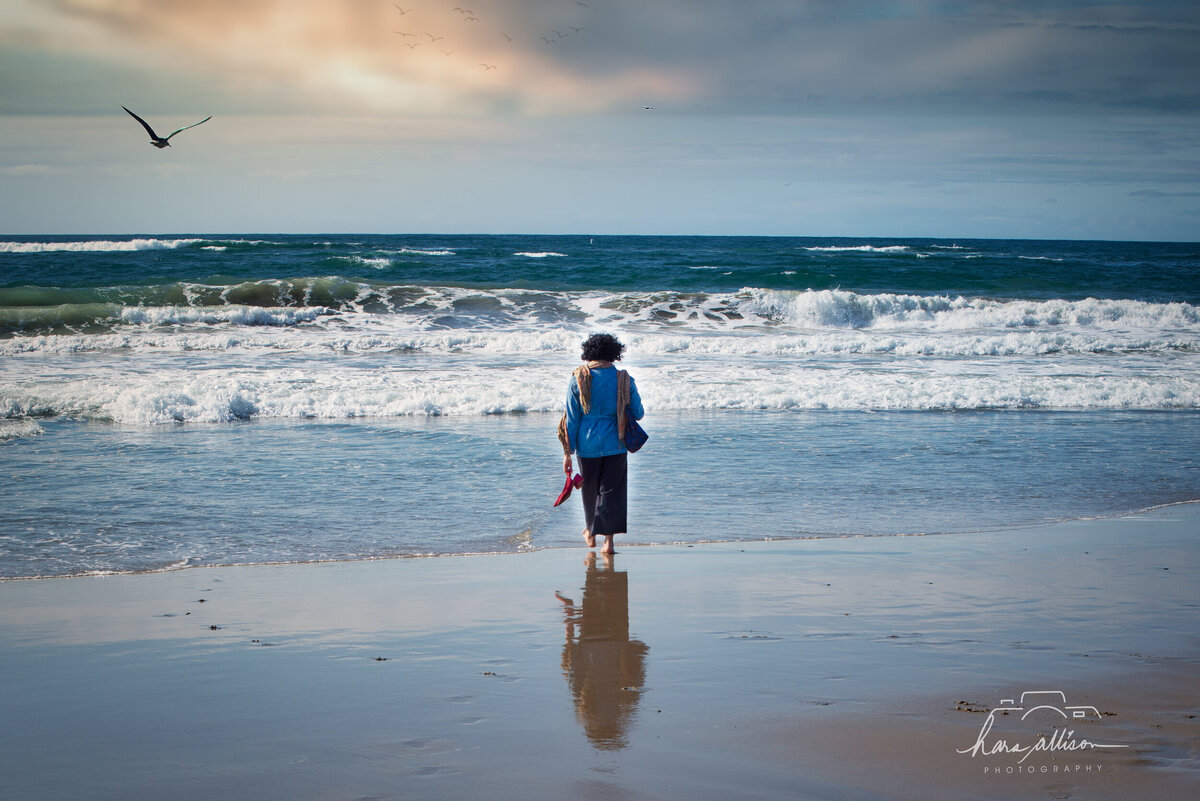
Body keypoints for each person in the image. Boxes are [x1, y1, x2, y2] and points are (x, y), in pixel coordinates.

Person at [561, 333, 644, 554]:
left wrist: (568, 453)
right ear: (614, 353)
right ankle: (609, 542)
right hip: (616, 443)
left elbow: (572, 419)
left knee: (589, 490)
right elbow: (639, 412)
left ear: (589, 353)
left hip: (586, 446)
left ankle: (590, 532)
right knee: (612, 492)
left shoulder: (578, 379)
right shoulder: (624, 379)